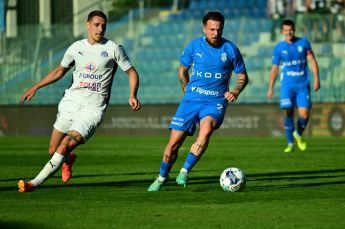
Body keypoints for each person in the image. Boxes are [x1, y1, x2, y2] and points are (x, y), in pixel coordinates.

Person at [18, 10, 141, 192]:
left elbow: (132, 72)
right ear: (88, 24)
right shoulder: (76, 47)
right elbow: (60, 71)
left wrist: (132, 94)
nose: (100, 29)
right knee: (53, 150)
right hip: (71, 102)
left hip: (93, 109)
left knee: (65, 144)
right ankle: (68, 160)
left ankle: (33, 184)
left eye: (104, 26)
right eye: (97, 25)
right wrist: (35, 86)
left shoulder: (113, 48)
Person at [147, 11, 249, 192]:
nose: (216, 34)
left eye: (219, 30)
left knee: (206, 130)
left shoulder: (230, 49)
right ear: (204, 28)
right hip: (191, 100)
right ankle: (162, 177)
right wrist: (186, 89)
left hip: (215, 102)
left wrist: (235, 91)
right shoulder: (194, 46)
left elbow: (242, 76)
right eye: (212, 29)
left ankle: (184, 171)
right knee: (173, 145)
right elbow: (182, 71)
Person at [267, 18, 320, 153]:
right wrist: (271, 87)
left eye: (290, 30)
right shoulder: (279, 48)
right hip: (287, 86)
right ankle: (290, 142)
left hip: (303, 84)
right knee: (288, 113)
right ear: (282, 31)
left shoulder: (303, 43)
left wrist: (316, 78)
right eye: (285, 31)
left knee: (305, 115)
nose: (288, 33)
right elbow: (274, 68)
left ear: (294, 30)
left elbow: (312, 60)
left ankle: (298, 134)